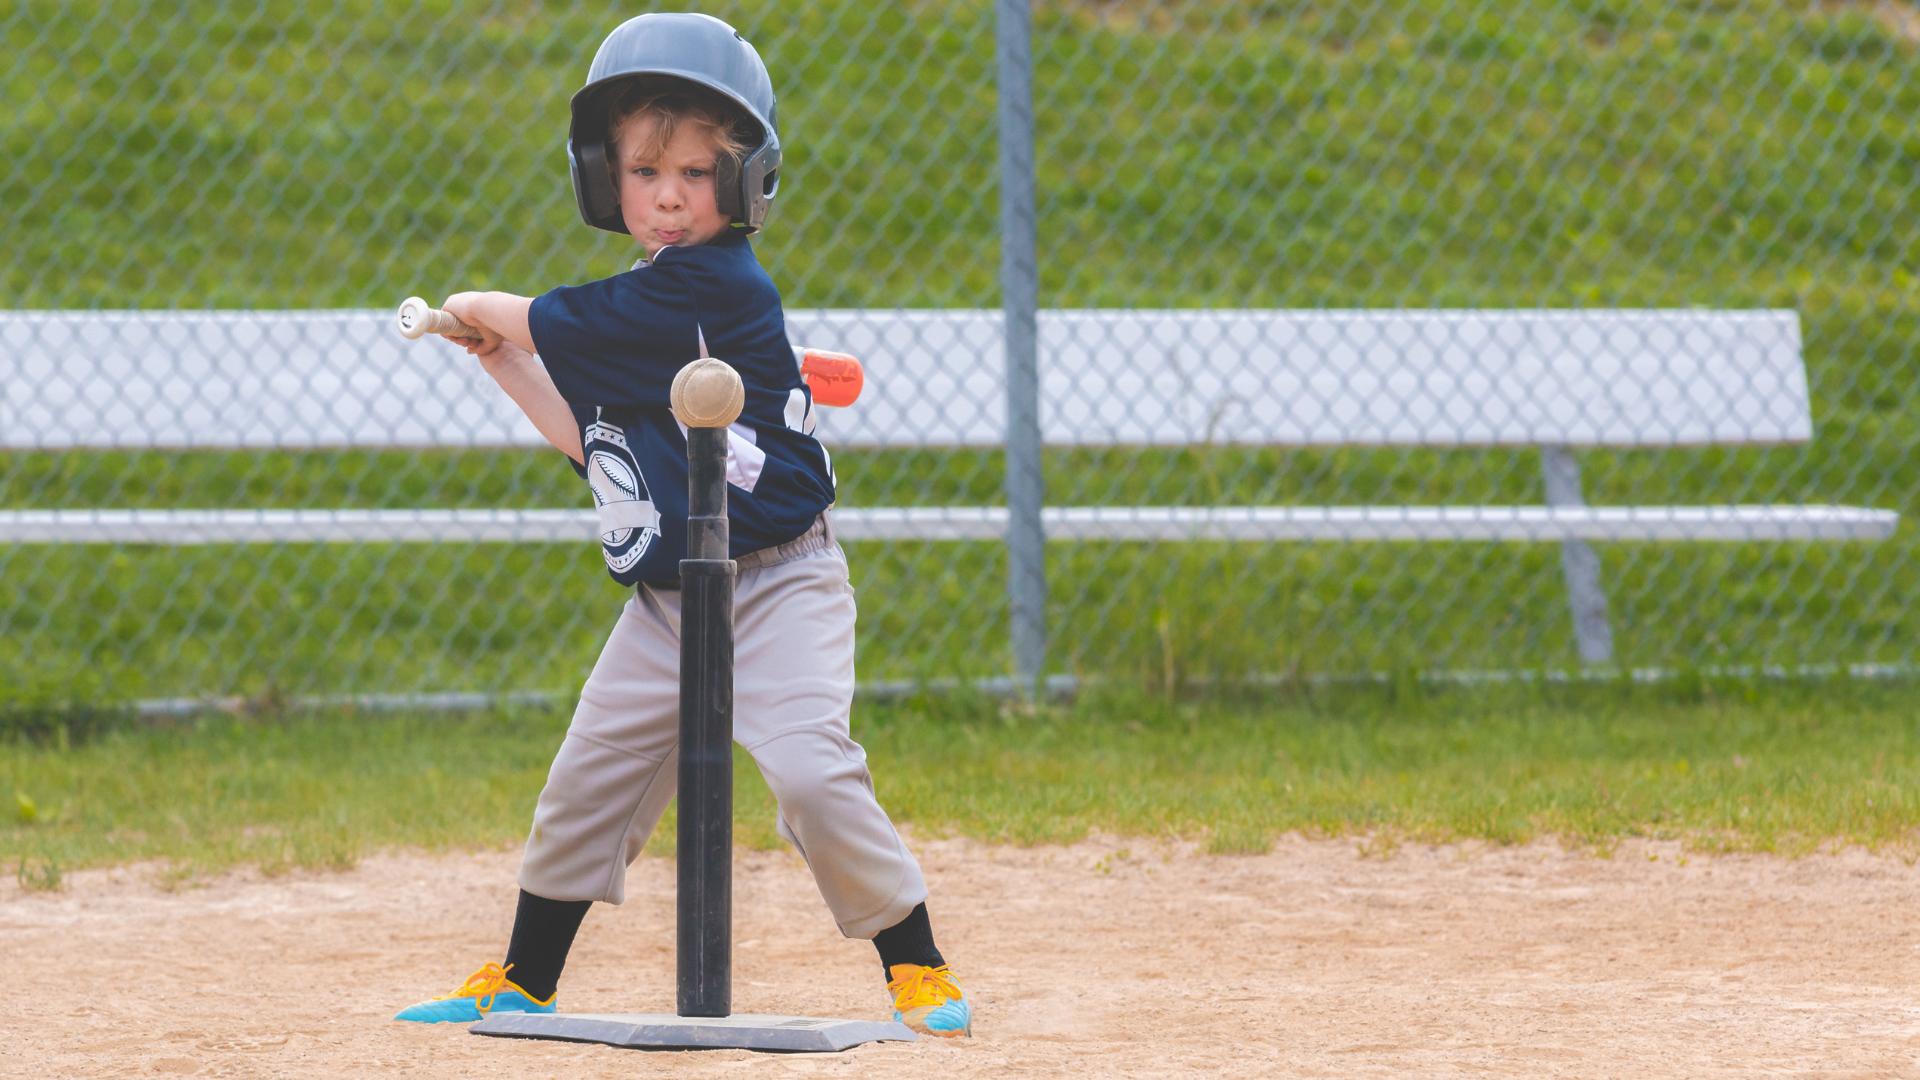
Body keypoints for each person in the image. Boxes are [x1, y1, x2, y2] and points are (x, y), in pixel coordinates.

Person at [390, 12, 970, 1039]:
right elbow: (593, 444)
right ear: (602, 177)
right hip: (671, 596)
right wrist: (502, 358)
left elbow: (579, 323)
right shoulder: (643, 302)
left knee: (806, 767)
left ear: (744, 186)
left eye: (699, 173)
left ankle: (915, 964)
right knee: (589, 777)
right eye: (646, 169)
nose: (667, 194)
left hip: (779, 579)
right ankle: (525, 976)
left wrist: (483, 303)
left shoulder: (716, 287)